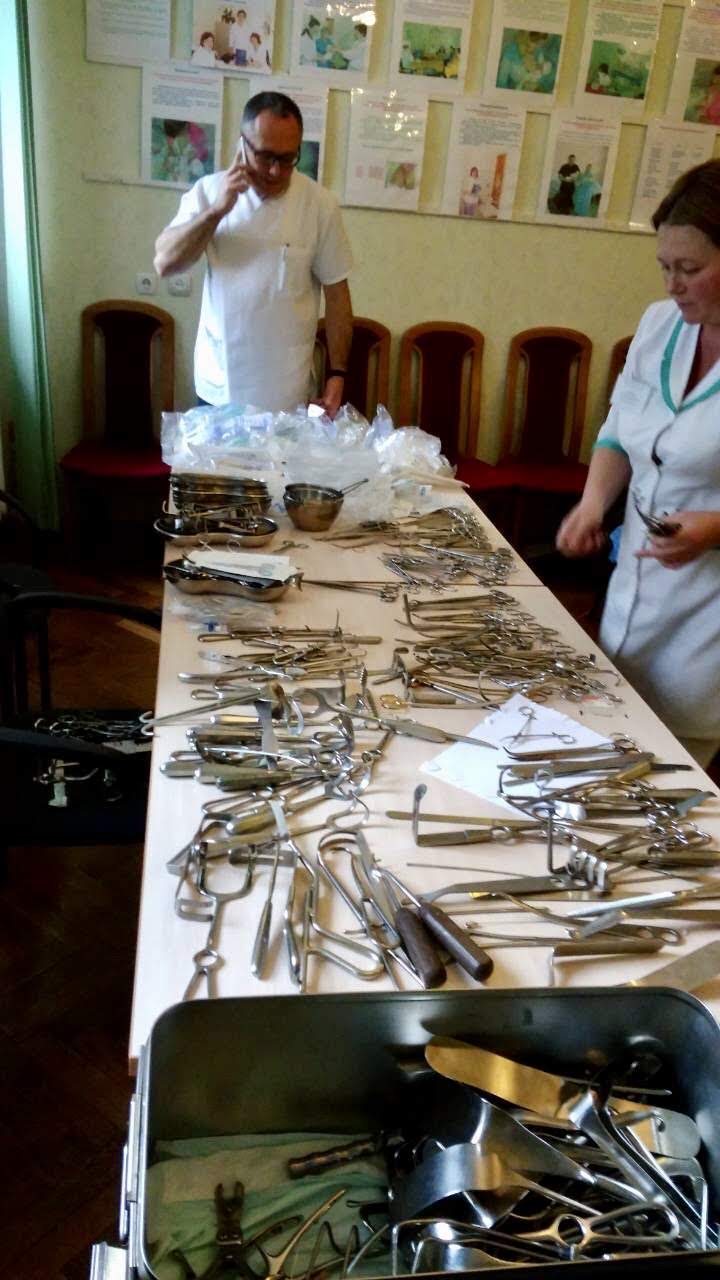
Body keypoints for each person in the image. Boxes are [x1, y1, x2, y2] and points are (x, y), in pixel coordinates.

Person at [556, 159, 720, 766]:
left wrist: (715, 528)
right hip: (631, 595)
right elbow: (620, 430)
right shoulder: (660, 326)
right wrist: (592, 505)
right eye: (665, 267)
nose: (673, 284)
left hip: (706, 622)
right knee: (607, 743)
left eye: (690, 269)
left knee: (673, 774)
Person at [154, 91, 353, 417]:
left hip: (288, 392)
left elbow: (337, 294)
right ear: (242, 144)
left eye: (287, 159)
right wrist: (216, 212)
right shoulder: (209, 192)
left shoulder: (320, 205)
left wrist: (337, 374)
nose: (275, 171)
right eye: (265, 156)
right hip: (220, 388)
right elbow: (165, 262)